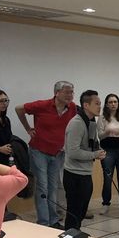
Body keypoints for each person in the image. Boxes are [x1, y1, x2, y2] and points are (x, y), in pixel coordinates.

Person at [15, 81, 77, 226]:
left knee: (53, 187)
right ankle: (44, 221)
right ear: (57, 93)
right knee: (42, 186)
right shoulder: (42, 105)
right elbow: (19, 109)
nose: (70, 95)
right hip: (39, 151)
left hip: (58, 153)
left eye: (72, 92)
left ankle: (53, 220)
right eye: (67, 92)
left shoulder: (72, 107)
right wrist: (28, 128)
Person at [64, 90, 105, 229]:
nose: (100, 106)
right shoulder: (77, 123)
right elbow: (73, 152)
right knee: (74, 212)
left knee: (82, 210)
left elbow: (91, 145)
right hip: (74, 174)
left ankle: (76, 232)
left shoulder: (91, 122)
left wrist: (99, 151)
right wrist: (94, 155)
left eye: (100, 103)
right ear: (86, 105)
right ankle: (70, 234)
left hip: (85, 172)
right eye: (97, 103)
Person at [97, 93, 119, 212]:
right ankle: (106, 203)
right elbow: (100, 136)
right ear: (106, 104)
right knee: (107, 178)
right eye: (110, 102)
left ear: (118, 104)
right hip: (108, 150)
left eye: (115, 102)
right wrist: (108, 131)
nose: (113, 104)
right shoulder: (102, 118)